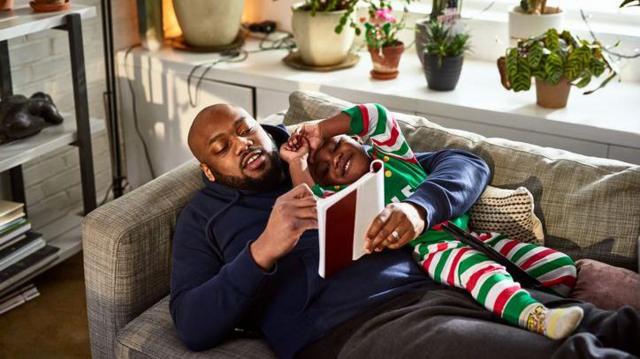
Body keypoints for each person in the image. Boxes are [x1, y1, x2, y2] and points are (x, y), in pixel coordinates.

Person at [170, 102, 640, 359]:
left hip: (459, 279)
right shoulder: (204, 219)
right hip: (362, 327)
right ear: (210, 171)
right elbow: (192, 323)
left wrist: (420, 208)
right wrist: (262, 253)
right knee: (575, 354)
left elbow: (464, 164)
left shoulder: (322, 153)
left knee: (618, 327)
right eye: (222, 148)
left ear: (261, 128)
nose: (243, 146)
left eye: (244, 130)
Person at [279, 103, 582, 339]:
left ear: (357, 139)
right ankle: (534, 316)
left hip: (473, 236)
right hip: (435, 253)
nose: (334, 160)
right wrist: (298, 161)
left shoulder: (395, 157)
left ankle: (515, 310)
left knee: (563, 267)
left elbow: (376, 116)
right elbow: (308, 203)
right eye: (324, 169)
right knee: (482, 273)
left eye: (336, 146)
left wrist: (320, 129)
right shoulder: (347, 201)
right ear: (329, 185)